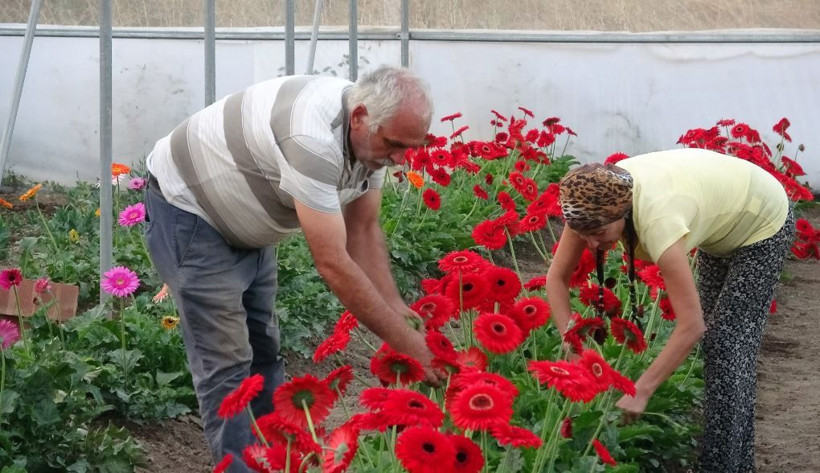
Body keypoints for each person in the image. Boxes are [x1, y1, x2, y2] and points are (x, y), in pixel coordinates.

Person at [143, 66, 445, 469]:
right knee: (227, 361)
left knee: (263, 347)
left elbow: (362, 227)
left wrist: (395, 307)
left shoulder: (370, 137)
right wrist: (407, 344)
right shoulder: (312, 139)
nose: (400, 159)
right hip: (190, 210)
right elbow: (333, 262)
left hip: (247, 218)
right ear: (360, 117)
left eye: (409, 148)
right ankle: (241, 467)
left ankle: (277, 458)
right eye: (394, 145)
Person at [545, 148, 793, 473]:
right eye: (582, 235)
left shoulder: (656, 220)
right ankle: (737, 465)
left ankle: (720, 468)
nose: (590, 243)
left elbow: (692, 325)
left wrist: (642, 390)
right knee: (725, 351)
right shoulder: (587, 201)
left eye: (599, 233)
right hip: (720, 218)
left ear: (622, 213)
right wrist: (572, 343)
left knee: (726, 346)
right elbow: (556, 278)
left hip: (762, 218)